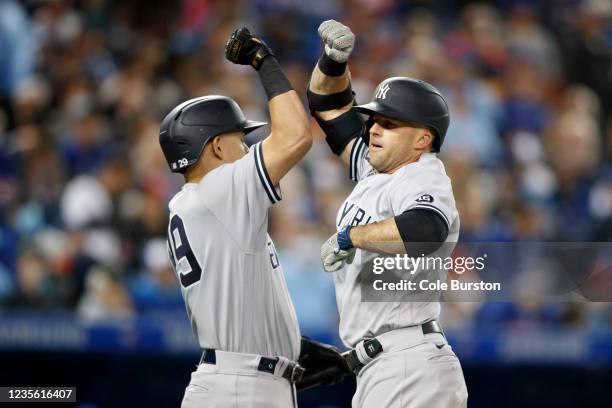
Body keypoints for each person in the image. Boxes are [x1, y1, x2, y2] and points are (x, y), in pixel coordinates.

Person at [308, 20, 468, 407]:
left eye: (390, 123)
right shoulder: (375, 169)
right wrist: (335, 61)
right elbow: (327, 105)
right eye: (375, 120)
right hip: (385, 365)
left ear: (422, 139)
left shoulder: (423, 174)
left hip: (410, 364)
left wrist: (351, 236)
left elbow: (425, 230)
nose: (375, 129)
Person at [159, 27, 312, 408]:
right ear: (215, 146)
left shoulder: (199, 203)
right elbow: (295, 136)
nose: (246, 146)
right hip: (243, 387)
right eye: (239, 138)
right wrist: (264, 61)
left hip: (236, 380)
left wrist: (294, 349)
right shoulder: (220, 191)